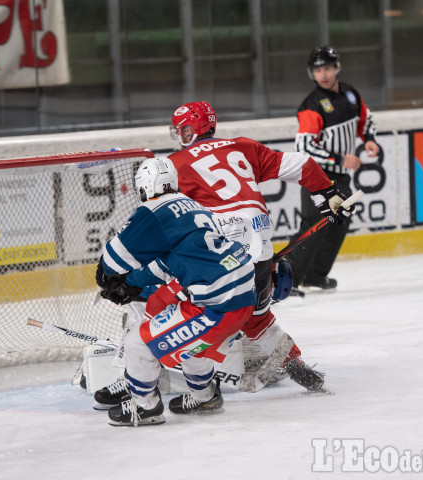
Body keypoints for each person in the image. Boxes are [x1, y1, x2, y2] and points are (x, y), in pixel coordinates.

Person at [165, 100, 352, 392]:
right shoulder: (242, 146)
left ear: (195, 128)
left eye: (184, 129)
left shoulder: (175, 164)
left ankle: (184, 387)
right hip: (259, 241)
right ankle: (297, 367)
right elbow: (302, 163)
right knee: (258, 319)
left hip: (223, 250)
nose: (181, 135)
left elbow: (162, 217)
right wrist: (325, 192)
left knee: (191, 310)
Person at [95, 156, 257, 426]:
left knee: (138, 342)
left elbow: (112, 260)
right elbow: (171, 262)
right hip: (242, 296)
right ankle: (206, 397)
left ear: (144, 187)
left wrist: (110, 280)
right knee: (193, 348)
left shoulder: (154, 211)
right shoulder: (193, 205)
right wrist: (134, 282)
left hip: (219, 305)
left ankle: (145, 407)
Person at [289, 45, 380, 292]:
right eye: (318, 70)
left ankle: (315, 276)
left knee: (340, 221)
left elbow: (366, 118)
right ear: (312, 73)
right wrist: (340, 159)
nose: (324, 74)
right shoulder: (312, 105)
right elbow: (304, 146)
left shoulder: (350, 94)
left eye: (327, 68)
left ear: (336, 68)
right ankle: (288, 281)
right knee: (313, 223)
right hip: (316, 174)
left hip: (339, 175)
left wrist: (369, 138)